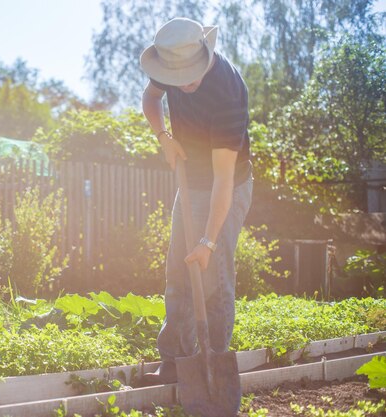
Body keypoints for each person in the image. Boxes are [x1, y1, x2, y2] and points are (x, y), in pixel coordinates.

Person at [139, 17, 253, 385]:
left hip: (228, 186)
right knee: (178, 271)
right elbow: (150, 97)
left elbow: (223, 179)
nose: (184, 83)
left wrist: (207, 241)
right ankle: (174, 360)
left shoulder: (227, 93)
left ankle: (214, 361)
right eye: (178, 78)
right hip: (190, 182)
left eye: (191, 75)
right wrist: (163, 136)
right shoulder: (171, 68)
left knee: (213, 275)